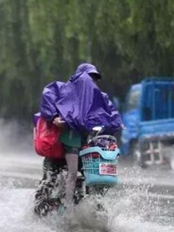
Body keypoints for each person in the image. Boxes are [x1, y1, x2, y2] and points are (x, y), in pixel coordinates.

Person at [34, 63, 122, 215]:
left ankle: (92, 214)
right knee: (48, 183)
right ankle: (39, 212)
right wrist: (55, 117)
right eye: (89, 77)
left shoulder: (99, 99)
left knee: (92, 186)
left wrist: (103, 126)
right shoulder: (62, 90)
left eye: (95, 79)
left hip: (83, 153)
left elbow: (112, 119)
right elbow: (48, 101)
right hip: (58, 151)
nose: (92, 82)